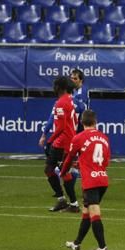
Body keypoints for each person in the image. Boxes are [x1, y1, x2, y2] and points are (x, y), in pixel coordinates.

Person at [63, 110, 111, 250]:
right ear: (96, 122)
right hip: (103, 179)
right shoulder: (104, 137)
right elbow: (106, 160)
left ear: (81, 122)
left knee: (94, 213)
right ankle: (76, 243)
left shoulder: (78, 138)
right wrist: (84, 164)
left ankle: (102, 247)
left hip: (91, 181)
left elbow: (69, 158)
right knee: (86, 212)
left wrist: (64, 171)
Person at [46, 76, 81, 212]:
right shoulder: (69, 101)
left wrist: (50, 140)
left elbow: (60, 127)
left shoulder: (60, 103)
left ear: (61, 87)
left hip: (62, 143)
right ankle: (67, 202)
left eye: (56, 85)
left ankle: (71, 203)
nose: (54, 88)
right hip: (67, 141)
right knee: (58, 171)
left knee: (55, 171)